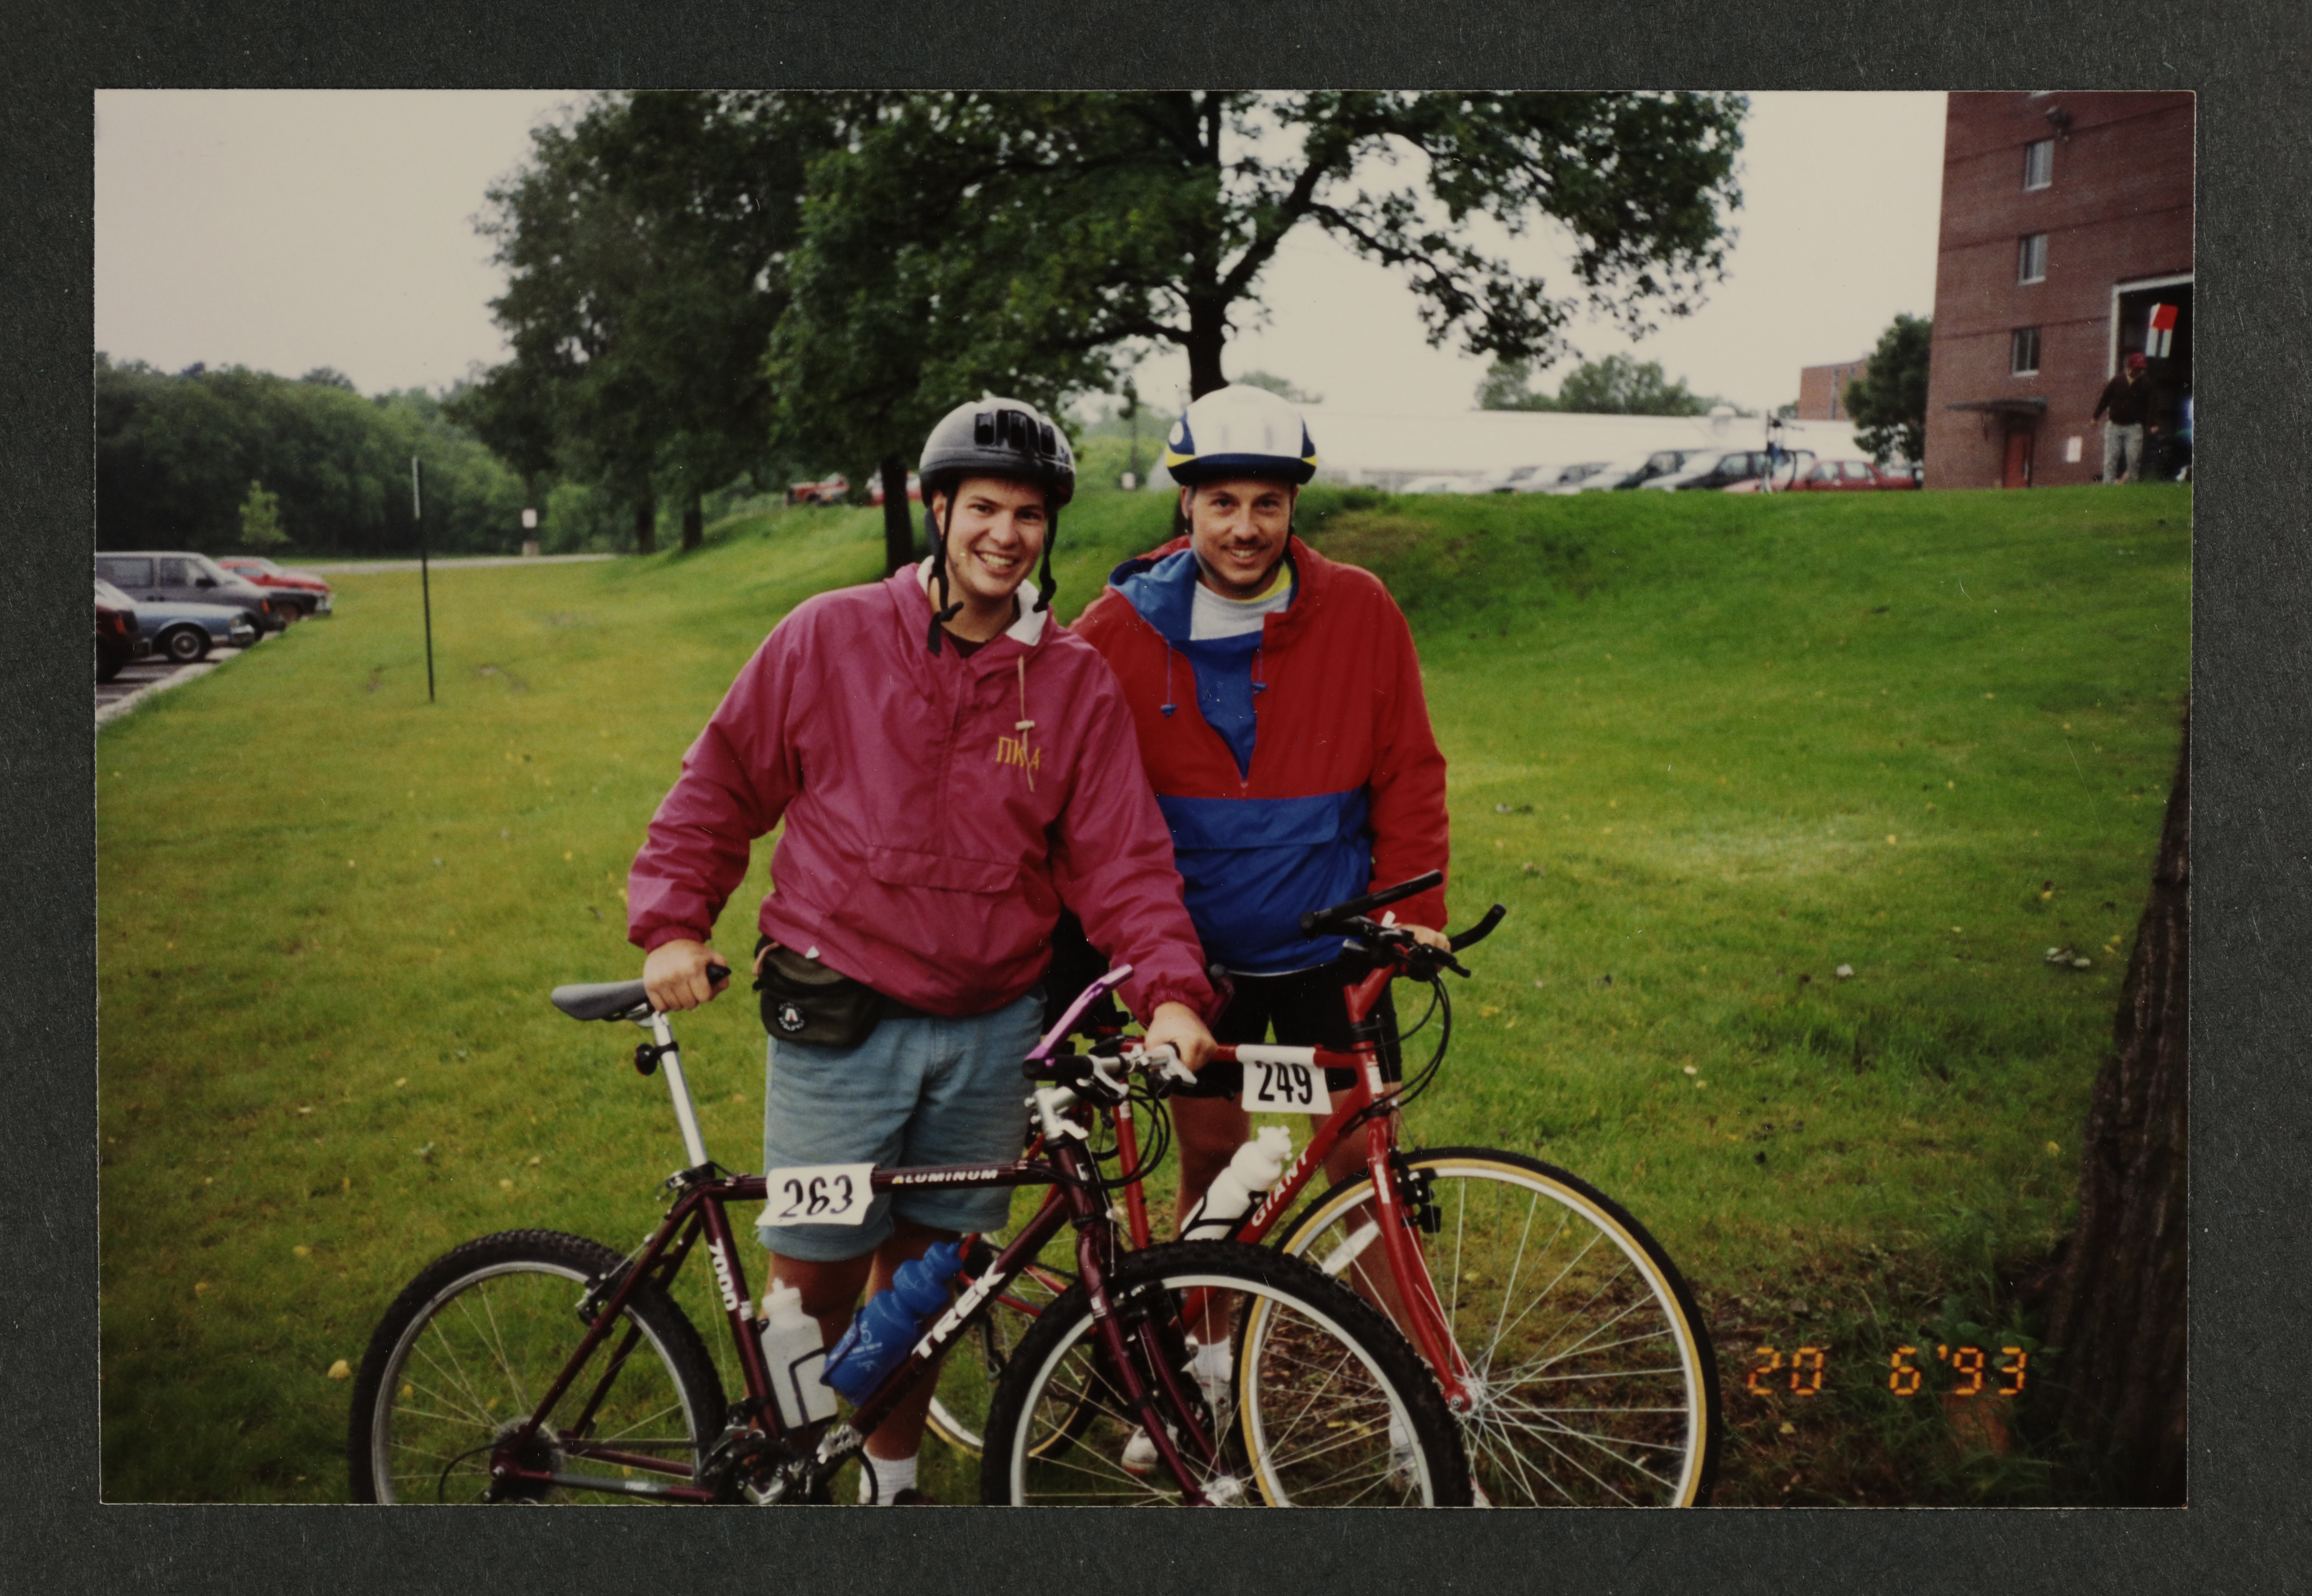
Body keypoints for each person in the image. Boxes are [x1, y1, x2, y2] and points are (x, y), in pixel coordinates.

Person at [628, 396, 1216, 1504]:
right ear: (938, 510)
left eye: (1029, 514)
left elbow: (1124, 860)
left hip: (989, 1026)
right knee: (815, 1279)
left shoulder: (1073, 681)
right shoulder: (827, 636)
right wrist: (673, 923)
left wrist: (1171, 994)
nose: (1006, 533)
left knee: (930, 1286)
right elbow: (721, 785)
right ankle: (792, 1482)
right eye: (984, 507)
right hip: (841, 1012)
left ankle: (890, 1484)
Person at [1071, 383, 1451, 1244]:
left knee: (1365, 1167)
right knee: (1213, 1165)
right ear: (1187, 504)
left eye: (1267, 504)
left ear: (1293, 507)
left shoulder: (1360, 608)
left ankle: (1398, 1337)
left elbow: (1409, 772)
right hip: (1200, 957)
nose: (1245, 528)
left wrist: (1414, 911)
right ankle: (1203, 1329)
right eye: (1223, 503)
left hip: (1334, 949)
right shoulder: (1116, 629)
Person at [2093, 351, 2159, 483]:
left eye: (2141, 369)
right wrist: (2096, 417)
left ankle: (2132, 485)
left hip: (2134, 427)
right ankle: (2108, 486)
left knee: (2134, 458)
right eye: (2136, 368)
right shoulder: (2117, 381)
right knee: (2111, 458)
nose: (2138, 371)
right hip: (2114, 426)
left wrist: (2153, 423)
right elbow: (2105, 399)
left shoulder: (2146, 384)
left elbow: (2152, 405)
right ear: (2129, 367)